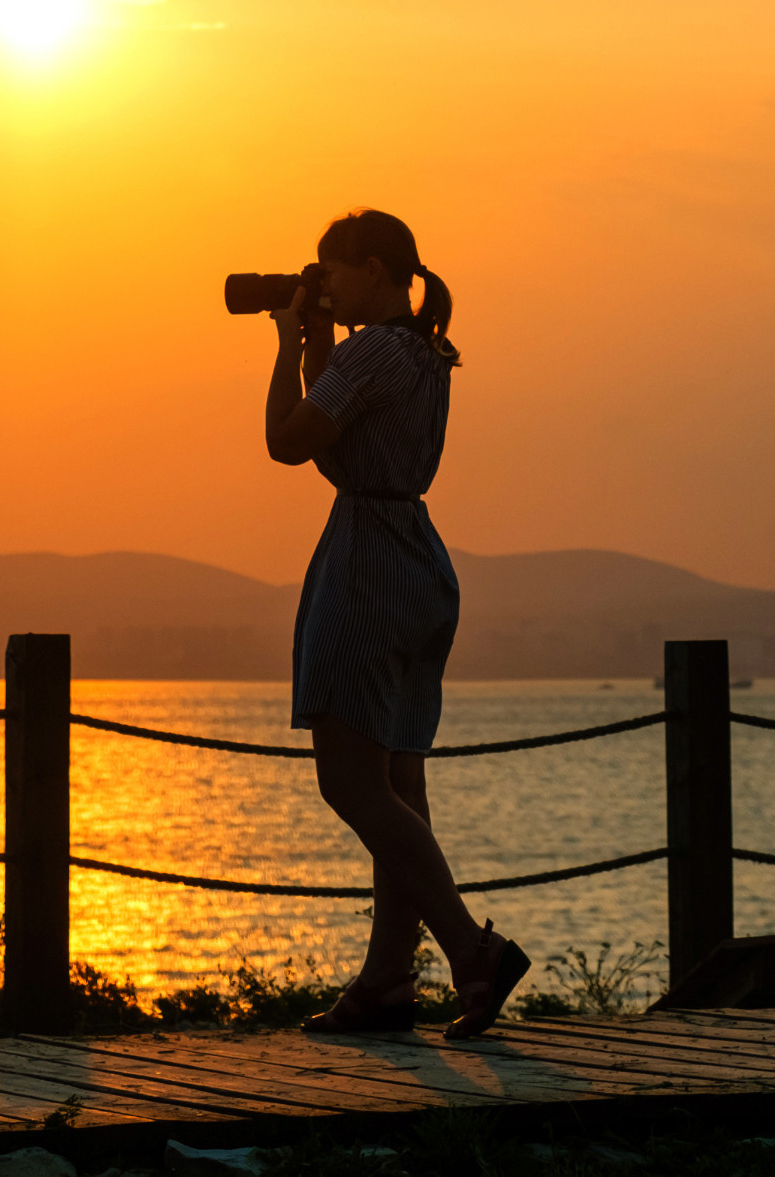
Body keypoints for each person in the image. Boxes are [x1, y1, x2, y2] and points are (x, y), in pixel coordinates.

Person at [262, 208, 529, 1039]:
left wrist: (283, 349)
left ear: (374, 270)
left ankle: (469, 951)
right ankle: (385, 982)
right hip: (417, 560)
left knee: (349, 781)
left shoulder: (373, 348)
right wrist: (315, 343)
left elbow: (288, 441)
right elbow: (342, 436)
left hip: (369, 567)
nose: (321, 283)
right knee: (399, 787)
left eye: (330, 269)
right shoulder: (422, 350)